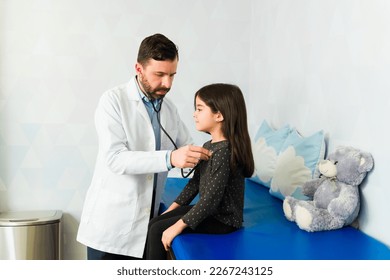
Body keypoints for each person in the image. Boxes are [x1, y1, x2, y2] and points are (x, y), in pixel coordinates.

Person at [77, 33, 212, 260]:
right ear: (139, 68)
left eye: (172, 75)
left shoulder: (168, 108)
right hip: (112, 227)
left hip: (147, 222)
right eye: (159, 75)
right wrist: (170, 158)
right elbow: (115, 158)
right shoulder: (113, 101)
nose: (167, 83)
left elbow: (186, 146)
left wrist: (215, 151)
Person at [145, 83, 255, 260]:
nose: (194, 114)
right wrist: (170, 211)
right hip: (212, 213)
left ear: (219, 115)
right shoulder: (209, 146)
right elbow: (194, 184)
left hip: (224, 220)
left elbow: (211, 200)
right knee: (156, 222)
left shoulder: (224, 152)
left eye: (199, 109)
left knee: (159, 229)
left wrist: (177, 226)